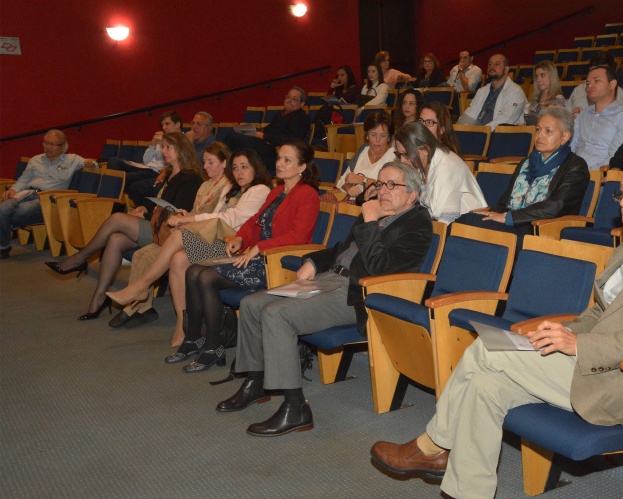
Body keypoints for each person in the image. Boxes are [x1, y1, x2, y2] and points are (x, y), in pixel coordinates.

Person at [370, 160, 623, 499]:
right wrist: (561, 330)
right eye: (622, 193)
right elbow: (597, 313)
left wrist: (579, 344)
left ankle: (434, 445)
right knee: (483, 384)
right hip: (587, 359)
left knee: (487, 350)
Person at [216, 161, 433, 437]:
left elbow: (382, 268)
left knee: (276, 313)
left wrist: (369, 221)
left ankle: (296, 409)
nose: (383, 190)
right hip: (329, 279)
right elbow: (341, 250)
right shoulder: (376, 211)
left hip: (357, 294)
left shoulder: (417, 224)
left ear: (412, 195)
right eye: (380, 183)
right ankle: (255, 381)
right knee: (252, 304)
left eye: (392, 185)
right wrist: (313, 263)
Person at [173, 140, 320, 373]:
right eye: (279, 158)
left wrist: (260, 247)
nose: (279, 163)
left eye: (287, 160)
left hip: (278, 264)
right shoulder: (278, 191)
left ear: (302, 166)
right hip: (258, 257)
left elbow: (299, 236)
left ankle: (213, 347)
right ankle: (193, 339)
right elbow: (254, 222)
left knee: (206, 277)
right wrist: (240, 238)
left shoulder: (308, 194)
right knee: (193, 271)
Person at [105, 147, 271, 345]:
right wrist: (189, 218)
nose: (239, 172)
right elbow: (215, 217)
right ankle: (182, 325)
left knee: (179, 235)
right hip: (218, 241)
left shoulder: (260, 190)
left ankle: (142, 285)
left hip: (236, 247)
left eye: (244, 167)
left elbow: (231, 218)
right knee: (178, 259)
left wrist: (191, 220)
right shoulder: (233, 189)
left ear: (256, 168)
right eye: (235, 168)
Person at [44, 133, 203, 319]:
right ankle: (99, 297)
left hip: (169, 233)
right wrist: (145, 208)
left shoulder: (190, 179)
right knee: (115, 239)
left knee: (118, 218)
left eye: (169, 148)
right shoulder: (169, 174)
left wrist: (147, 214)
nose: (163, 151)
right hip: (157, 225)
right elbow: (161, 205)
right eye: (163, 147)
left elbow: (175, 213)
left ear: (182, 150)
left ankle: (80, 258)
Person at [456, 107, 589, 247]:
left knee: (468, 224)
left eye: (548, 131)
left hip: (539, 230)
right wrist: (490, 213)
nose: (539, 136)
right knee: (467, 219)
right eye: (538, 129)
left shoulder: (575, 166)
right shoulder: (526, 162)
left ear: (565, 137)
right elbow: (504, 202)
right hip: (510, 222)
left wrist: (509, 218)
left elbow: (557, 206)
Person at [0, 130, 94, 259]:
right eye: (46, 143)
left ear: (63, 146)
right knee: (3, 208)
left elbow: (92, 164)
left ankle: (9, 223)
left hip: (46, 198)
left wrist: (91, 163)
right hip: (27, 193)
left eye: (53, 144)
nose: (48, 147)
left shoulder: (72, 159)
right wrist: (13, 190)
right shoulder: (35, 160)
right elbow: (24, 180)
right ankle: (3, 247)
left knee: (21, 211)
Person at [394, 121, 487, 224]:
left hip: (466, 229)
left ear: (425, 149)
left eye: (406, 154)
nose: (402, 160)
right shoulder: (423, 162)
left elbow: (448, 219)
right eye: (399, 154)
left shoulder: (446, 167)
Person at [224, 87, 311, 175]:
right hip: (264, 145)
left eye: (294, 99)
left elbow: (290, 139)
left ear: (302, 104)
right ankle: (231, 169)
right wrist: (255, 132)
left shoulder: (302, 118)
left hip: (274, 151)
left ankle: (224, 168)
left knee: (233, 138)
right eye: (288, 97)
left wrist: (263, 135)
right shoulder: (280, 114)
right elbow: (269, 129)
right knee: (236, 131)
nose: (289, 100)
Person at [571, 66, 623, 170]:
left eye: (596, 81)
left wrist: (590, 173)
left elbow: (617, 154)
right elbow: (572, 146)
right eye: (588, 83)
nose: (590, 85)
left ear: (612, 84)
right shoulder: (584, 114)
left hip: (599, 175)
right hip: (573, 171)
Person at [107, 111, 182, 199]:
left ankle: (113, 202)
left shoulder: (181, 141)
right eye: (163, 125)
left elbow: (172, 159)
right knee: (113, 161)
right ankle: (114, 196)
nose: (164, 127)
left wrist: (163, 142)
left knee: (121, 178)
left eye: (167, 124)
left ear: (177, 125)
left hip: (156, 172)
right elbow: (146, 161)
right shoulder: (164, 137)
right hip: (146, 167)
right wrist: (153, 145)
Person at [334, 111, 396, 200]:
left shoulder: (392, 156)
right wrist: (348, 188)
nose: (377, 140)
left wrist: (362, 180)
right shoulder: (363, 150)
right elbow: (342, 180)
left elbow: (388, 187)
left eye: (383, 136)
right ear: (367, 135)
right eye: (373, 135)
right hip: (350, 202)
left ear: (389, 137)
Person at [457, 54, 526, 130]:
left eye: (497, 64)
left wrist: (479, 132)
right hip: (477, 133)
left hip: (499, 137)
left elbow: (504, 121)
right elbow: (469, 115)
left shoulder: (516, 92)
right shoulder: (482, 91)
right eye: (490, 64)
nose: (492, 67)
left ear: (506, 69)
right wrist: (458, 130)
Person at [569, 51, 623, 117]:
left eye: (597, 78)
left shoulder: (618, 93)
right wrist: (571, 116)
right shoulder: (578, 90)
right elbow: (566, 117)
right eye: (593, 71)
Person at [525, 61, 568, 126]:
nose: (538, 80)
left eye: (542, 75)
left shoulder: (558, 101)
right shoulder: (534, 100)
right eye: (537, 76)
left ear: (551, 76)